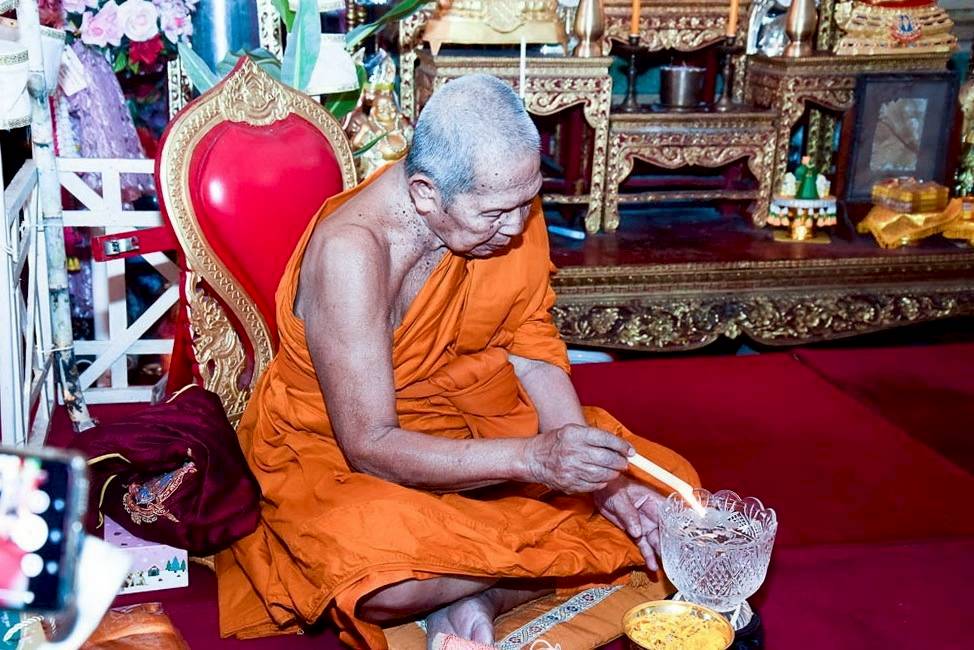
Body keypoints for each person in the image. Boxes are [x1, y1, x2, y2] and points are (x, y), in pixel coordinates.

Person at [216, 74, 699, 649]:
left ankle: (480, 591)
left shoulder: (505, 199)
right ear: (425, 193)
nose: (516, 228)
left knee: (669, 503)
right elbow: (369, 444)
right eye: (496, 213)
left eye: (527, 201)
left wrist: (597, 482)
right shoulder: (353, 253)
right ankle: (505, 570)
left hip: (480, 426)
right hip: (342, 456)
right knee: (382, 585)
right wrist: (537, 461)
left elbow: (531, 350)